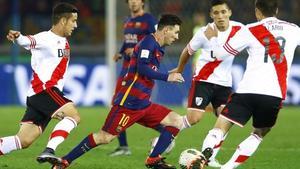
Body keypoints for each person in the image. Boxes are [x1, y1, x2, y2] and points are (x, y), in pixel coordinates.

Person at [49, 14, 196, 169]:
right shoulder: (148, 42)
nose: (177, 36)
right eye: (176, 32)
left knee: (176, 122)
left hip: (143, 104)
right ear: (166, 30)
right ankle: (64, 161)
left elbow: (147, 69)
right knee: (104, 137)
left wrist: (169, 74)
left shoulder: (158, 47)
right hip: (129, 103)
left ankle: (154, 159)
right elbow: (142, 68)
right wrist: (167, 77)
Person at [195, 0, 300, 168]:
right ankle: (228, 167)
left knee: (221, 126)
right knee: (259, 133)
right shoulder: (294, 29)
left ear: (257, 11)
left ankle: (203, 156)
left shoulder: (250, 29)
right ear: (277, 10)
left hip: (247, 90)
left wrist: (213, 43)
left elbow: (222, 53)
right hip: (274, 94)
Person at [1, 2, 80, 165]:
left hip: (37, 96)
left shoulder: (64, 42)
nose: (76, 25)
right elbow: (28, 41)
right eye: (73, 21)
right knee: (74, 116)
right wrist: (18, 37)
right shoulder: (45, 38)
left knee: (23, 140)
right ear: (63, 21)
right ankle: (49, 150)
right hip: (45, 91)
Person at [170, 0, 244, 167]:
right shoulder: (205, 32)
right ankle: (165, 135)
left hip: (224, 84)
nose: (220, 16)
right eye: (216, 13)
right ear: (211, 15)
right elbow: (187, 51)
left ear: (229, 13)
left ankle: (210, 156)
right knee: (194, 118)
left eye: (223, 12)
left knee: (226, 118)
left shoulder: (240, 29)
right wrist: (180, 70)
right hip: (203, 80)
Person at [109, 0, 158, 157]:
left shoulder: (149, 20)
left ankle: (166, 131)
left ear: (143, 2)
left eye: (136, 0)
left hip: (139, 70)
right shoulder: (127, 21)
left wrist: (136, 50)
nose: (133, 2)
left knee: (131, 107)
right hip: (126, 69)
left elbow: (156, 41)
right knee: (119, 104)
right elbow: (127, 41)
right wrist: (121, 52)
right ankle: (123, 146)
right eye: (130, 0)